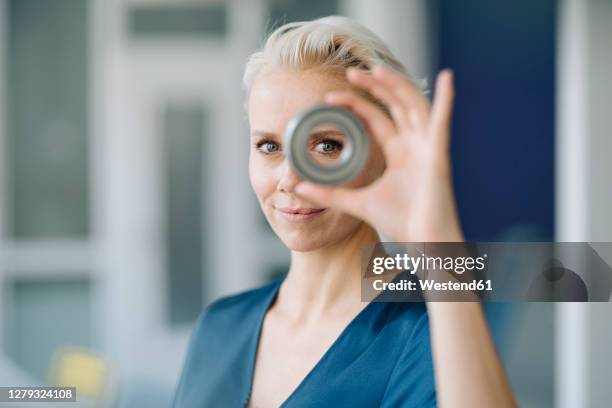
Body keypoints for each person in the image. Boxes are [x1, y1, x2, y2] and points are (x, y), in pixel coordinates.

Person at [172, 15, 516, 407]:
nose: (290, 178)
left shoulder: (427, 333)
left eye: (326, 146)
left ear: (385, 150)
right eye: (268, 146)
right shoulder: (219, 326)